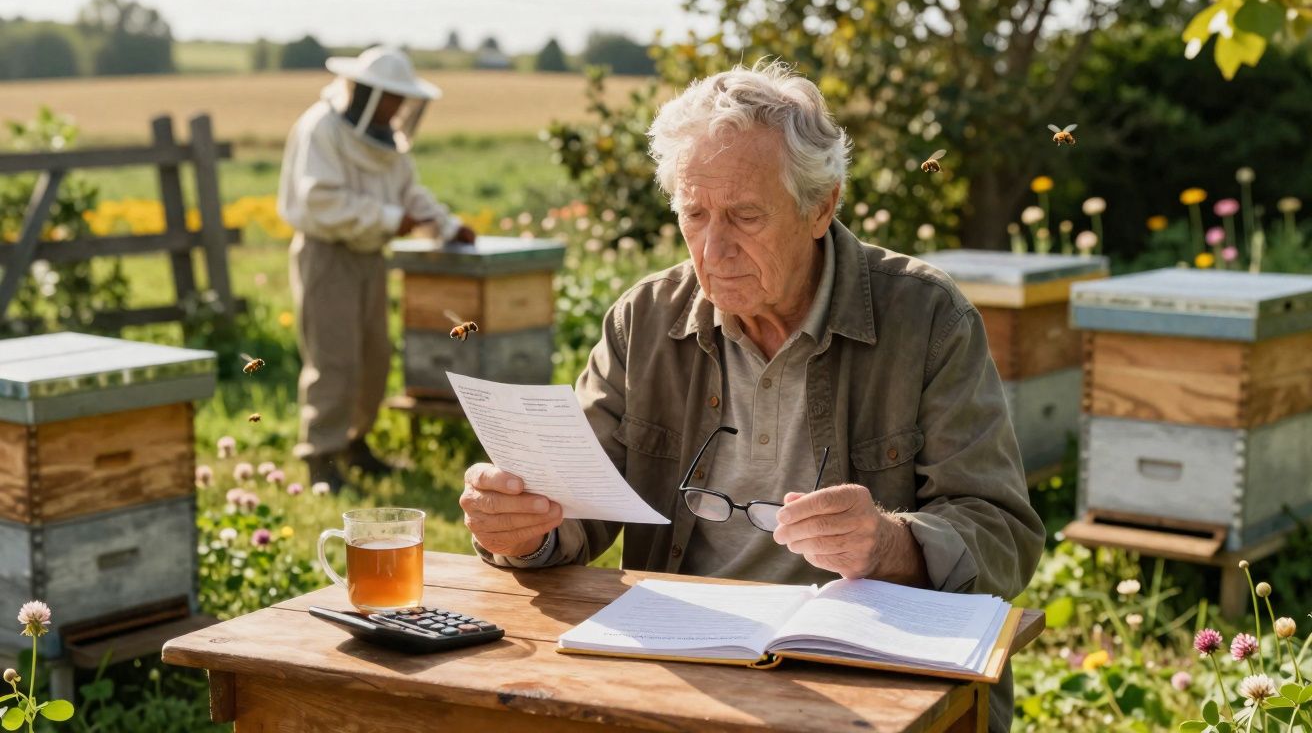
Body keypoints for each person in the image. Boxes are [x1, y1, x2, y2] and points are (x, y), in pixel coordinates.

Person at [459, 61, 1043, 732]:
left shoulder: (928, 317)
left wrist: (889, 544)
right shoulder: (643, 319)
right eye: (694, 213)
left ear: (821, 206)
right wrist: (523, 527)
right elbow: (575, 509)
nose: (714, 247)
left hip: (866, 677)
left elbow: (1004, 533)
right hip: (684, 663)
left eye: (744, 216)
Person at [278, 46, 476, 492]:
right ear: (368, 93)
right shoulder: (321, 129)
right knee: (333, 358)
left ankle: (355, 444)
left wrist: (448, 226)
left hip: (369, 256)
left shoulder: (387, 139)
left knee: (373, 357)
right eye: (392, 99)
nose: (399, 109)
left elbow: (410, 194)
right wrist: (391, 220)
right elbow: (320, 201)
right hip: (326, 254)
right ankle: (320, 458)